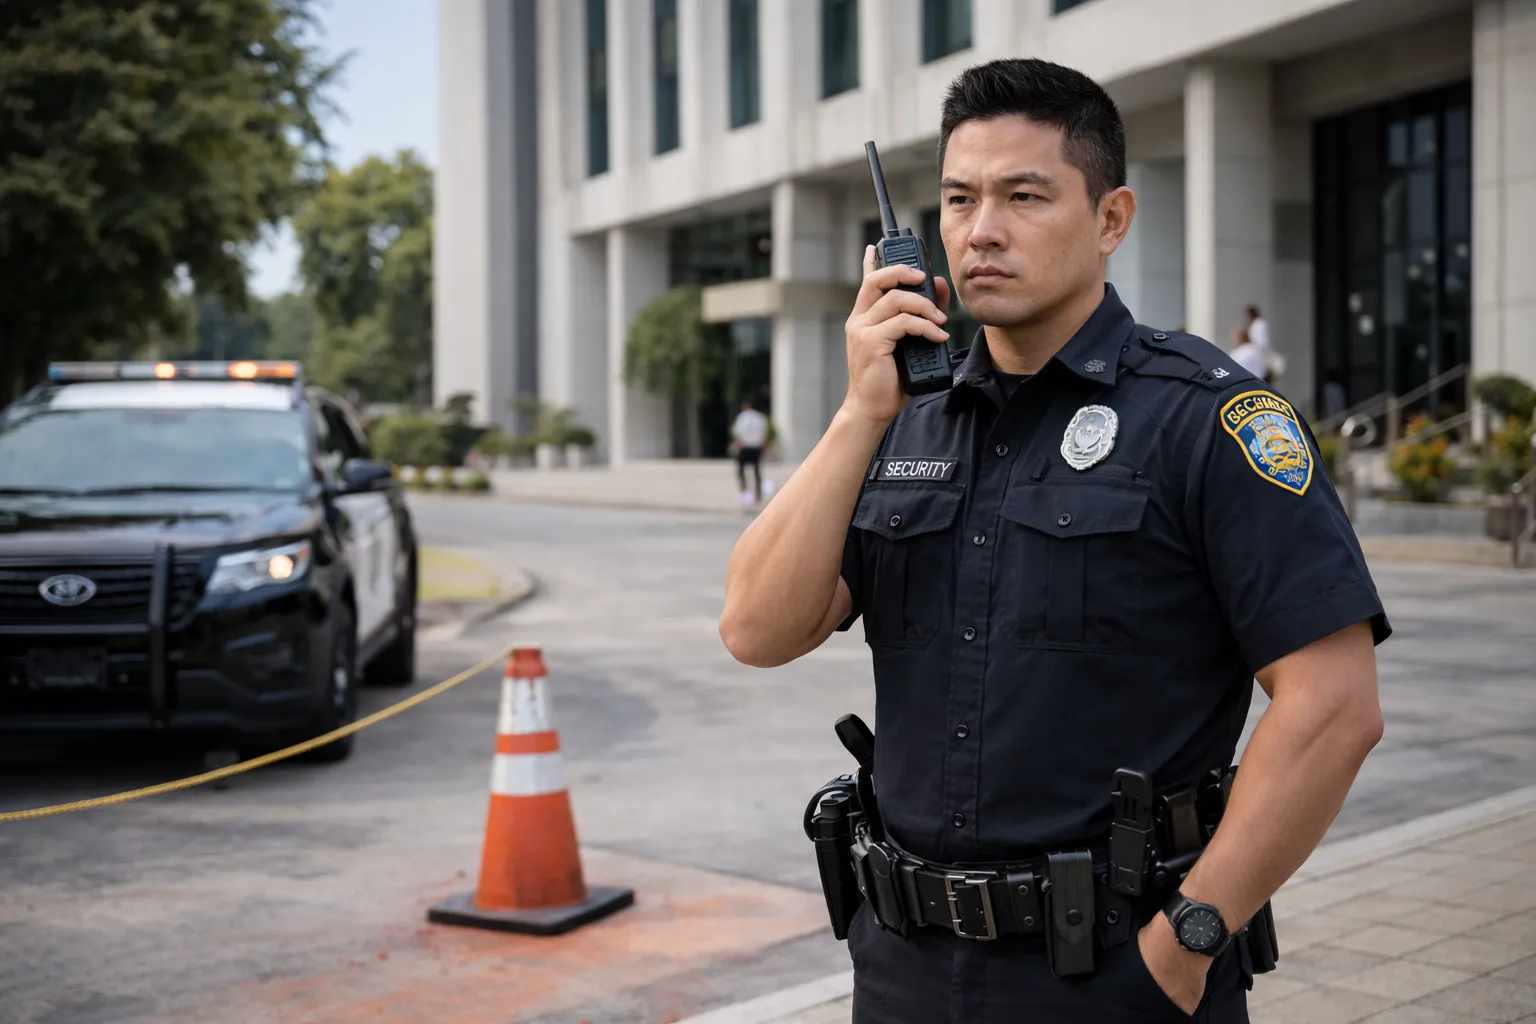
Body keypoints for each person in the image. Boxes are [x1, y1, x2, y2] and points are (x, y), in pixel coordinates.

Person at [720, 57, 1388, 1023]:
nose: (980, 229)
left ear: (1111, 218)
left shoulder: (1208, 418)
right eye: (958, 198)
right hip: (903, 969)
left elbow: (1334, 705)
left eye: (1023, 195)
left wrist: (1189, 941)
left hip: (1118, 975)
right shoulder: (904, 418)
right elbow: (757, 629)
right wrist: (858, 412)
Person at [730, 397, 769, 506]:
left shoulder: (742, 417)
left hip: (745, 447)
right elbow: (763, 434)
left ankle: (744, 491)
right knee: (757, 471)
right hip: (756, 447)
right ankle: (758, 494)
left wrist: (737, 445)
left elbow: (738, 434)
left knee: (741, 470)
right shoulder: (760, 418)